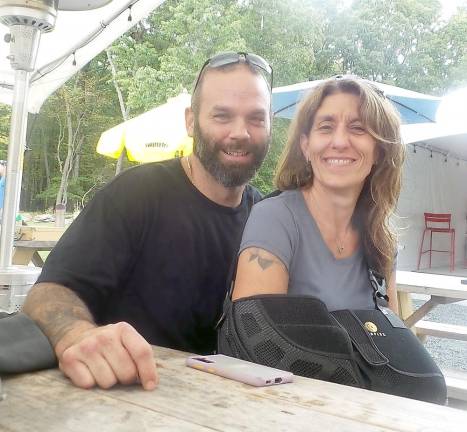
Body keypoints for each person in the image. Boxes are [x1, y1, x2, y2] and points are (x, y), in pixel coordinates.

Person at [22, 52, 273, 390]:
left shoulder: (267, 218)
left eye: (256, 118)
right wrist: (76, 334)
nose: (240, 132)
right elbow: (47, 293)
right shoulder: (136, 193)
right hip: (126, 397)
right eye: (222, 116)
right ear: (191, 121)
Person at [232, 76, 404, 314]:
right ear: (306, 146)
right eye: (326, 127)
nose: (340, 141)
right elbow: (257, 340)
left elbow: (393, 342)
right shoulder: (275, 219)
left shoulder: (381, 240)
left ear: (380, 151)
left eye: (358, 128)